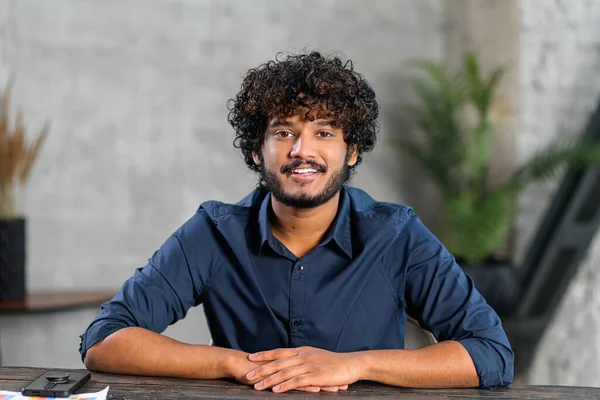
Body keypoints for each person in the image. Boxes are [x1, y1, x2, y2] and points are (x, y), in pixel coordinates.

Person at [79, 51, 513, 393]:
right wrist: (235, 363)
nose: (302, 150)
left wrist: (354, 365)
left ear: (352, 151)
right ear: (256, 150)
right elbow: (104, 340)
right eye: (283, 132)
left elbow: (490, 353)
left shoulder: (396, 235)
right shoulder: (213, 233)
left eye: (324, 133)